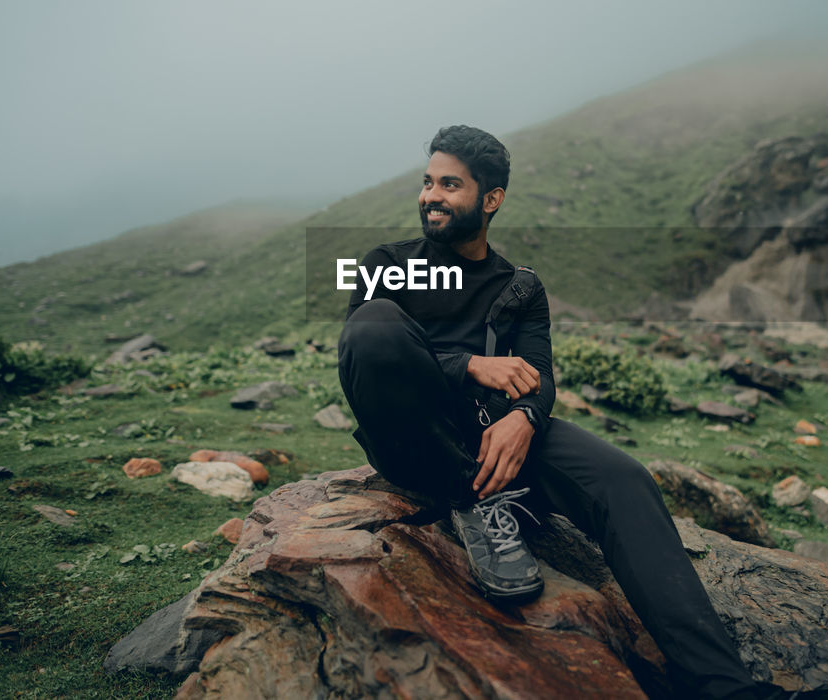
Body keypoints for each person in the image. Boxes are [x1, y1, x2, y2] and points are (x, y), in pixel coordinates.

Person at [337, 125, 787, 699]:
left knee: (623, 480)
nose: (431, 196)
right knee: (375, 324)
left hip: (500, 435)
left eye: (450, 184)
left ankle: (726, 688)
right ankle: (470, 499)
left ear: (491, 198)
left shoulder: (520, 287)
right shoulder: (387, 263)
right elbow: (366, 350)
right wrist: (468, 365)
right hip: (417, 437)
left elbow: (539, 374)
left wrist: (525, 418)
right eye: (428, 182)